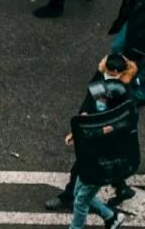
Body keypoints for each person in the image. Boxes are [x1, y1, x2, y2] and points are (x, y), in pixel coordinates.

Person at [45, 53, 140, 211]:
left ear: (119, 72)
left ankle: (68, 197)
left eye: (112, 74)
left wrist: (106, 128)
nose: (108, 76)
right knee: (102, 164)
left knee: (84, 165)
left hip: (110, 136)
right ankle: (121, 189)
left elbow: (126, 116)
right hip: (99, 133)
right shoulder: (103, 79)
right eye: (107, 73)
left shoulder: (124, 91)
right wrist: (79, 129)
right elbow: (89, 104)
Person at [53, 79, 133, 229]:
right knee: (79, 193)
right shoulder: (119, 113)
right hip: (91, 161)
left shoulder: (114, 125)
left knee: (81, 199)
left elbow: (96, 132)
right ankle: (110, 217)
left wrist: (81, 131)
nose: (99, 101)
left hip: (101, 165)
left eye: (103, 99)